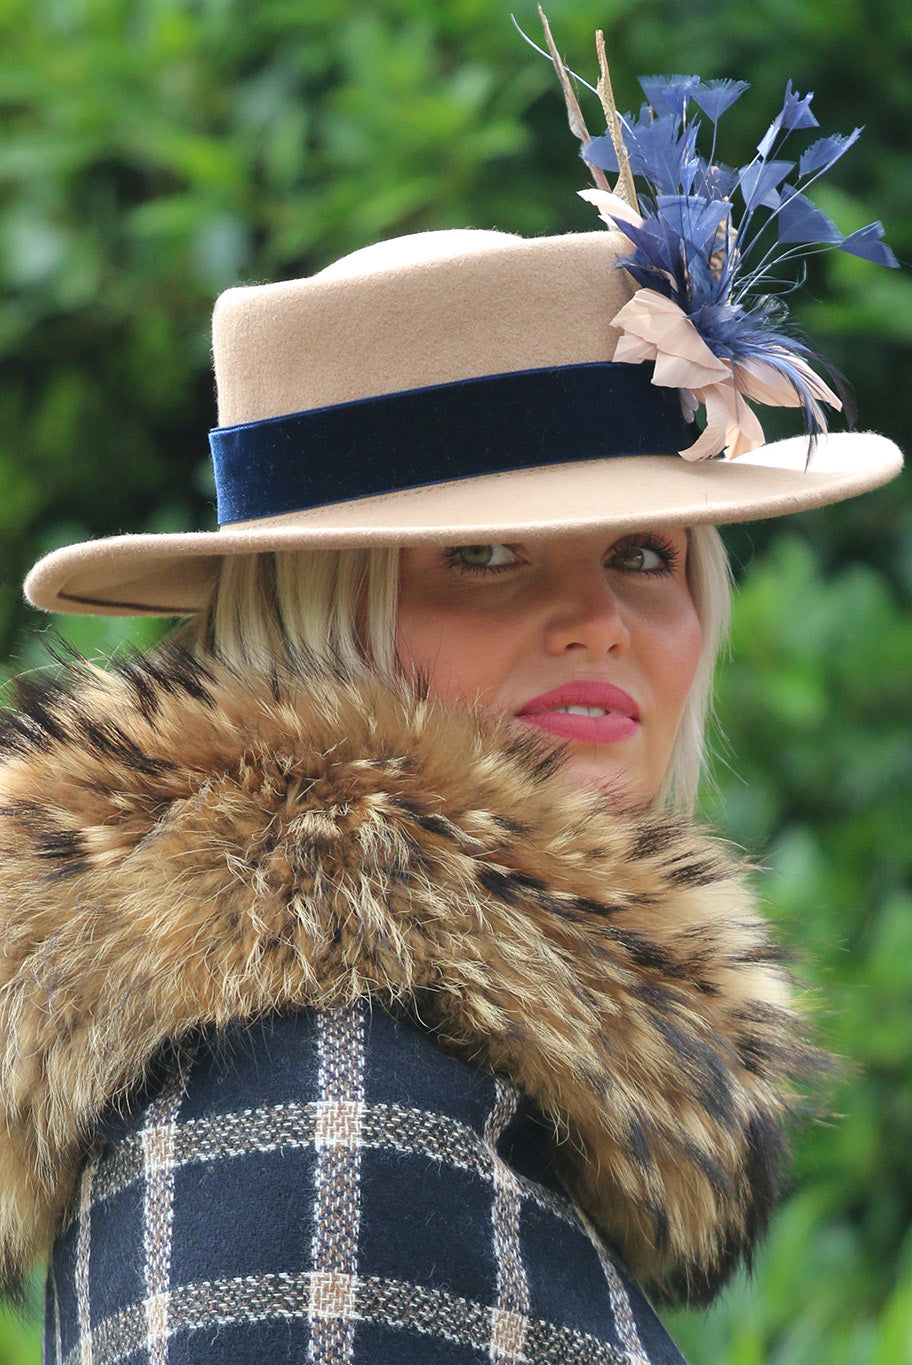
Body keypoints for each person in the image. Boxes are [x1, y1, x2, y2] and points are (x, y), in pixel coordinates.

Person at [0, 51, 903, 1365]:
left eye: (646, 553)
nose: (598, 617)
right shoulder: (322, 1101)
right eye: (482, 555)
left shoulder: (401, 1062)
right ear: (314, 610)